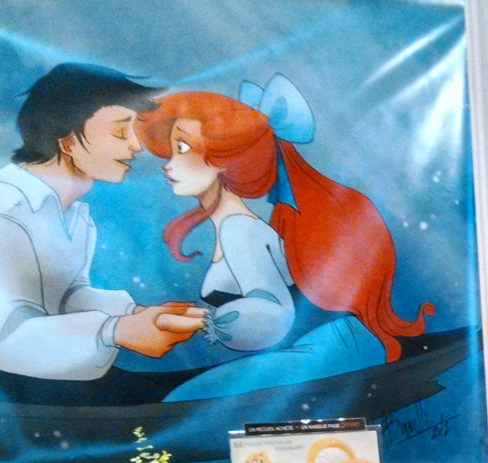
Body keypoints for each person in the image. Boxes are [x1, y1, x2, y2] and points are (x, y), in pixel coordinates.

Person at [0, 63, 207, 402]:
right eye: (120, 132)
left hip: (19, 371)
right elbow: (1, 339)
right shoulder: (5, 213)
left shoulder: (70, 213)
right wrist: (115, 330)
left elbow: (65, 296)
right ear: (68, 140)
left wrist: (133, 315)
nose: (136, 145)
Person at [134, 76, 429, 401]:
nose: (168, 164)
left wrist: (201, 321)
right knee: (189, 397)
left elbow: (273, 316)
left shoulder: (240, 229)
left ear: (224, 160)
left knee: (186, 399)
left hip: (330, 352)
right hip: (328, 348)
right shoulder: (235, 226)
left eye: (183, 148)